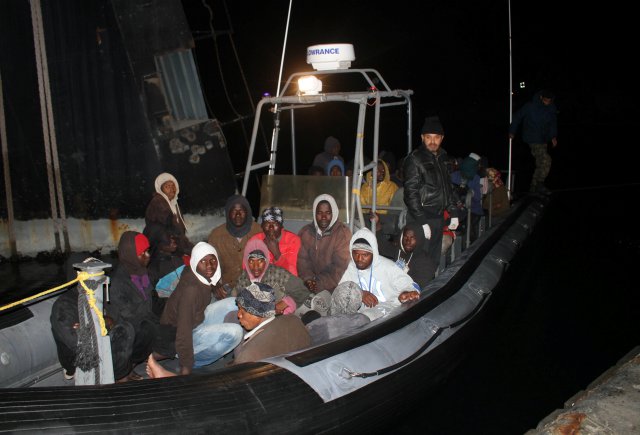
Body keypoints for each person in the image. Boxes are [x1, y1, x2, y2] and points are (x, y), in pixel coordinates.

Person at [146, 282, 310, 377]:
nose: (239, 315)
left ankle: (169, 375)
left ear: (258, 314)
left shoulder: (249, 356)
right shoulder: (294, 320)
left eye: (243, 311)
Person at [154, 242, 244, 375]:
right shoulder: (191, 291)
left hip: (197, 319)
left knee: (234, 303)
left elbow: (208, 277)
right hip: (179, 335)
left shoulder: (192, 271)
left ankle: (239, 355)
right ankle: (193, 359)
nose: (209, 266)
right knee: (235, 333)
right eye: (203, 261)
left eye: (213, 260)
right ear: (195, 261)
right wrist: (186, 366)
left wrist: (214, 285)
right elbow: (183, 330)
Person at [403, 115, 461, 275]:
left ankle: (428, 287)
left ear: (442, 138)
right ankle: (410, 289)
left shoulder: (444, 158)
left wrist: (454, 212)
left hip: (438, 218)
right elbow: (410, 193)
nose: (432, 141)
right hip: (420, 218)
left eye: (436, 137)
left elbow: (448, 187)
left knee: (433, 260)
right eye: (428, 137)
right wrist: (422, 221)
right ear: (422, 137)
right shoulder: (414, 159)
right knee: (416, 261)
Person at [328, 227, 420, 321]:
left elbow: (411, 285)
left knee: (364, 318)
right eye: (356, 254)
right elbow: (339, 290)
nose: (359, 259)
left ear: (374, 253)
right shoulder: (350, 267)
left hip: (388, 310)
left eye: (365, 255)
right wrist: (360, 293)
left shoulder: (388, 267)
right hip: (359, 314)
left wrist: (407, 293)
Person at [231, 238, 311, 317]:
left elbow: (302, 291)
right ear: (246, 262)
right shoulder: (242, 280)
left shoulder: (278, 274)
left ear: (266, 261)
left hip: (282, 317)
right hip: (255, 320)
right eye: (251, 261)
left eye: (260, 261)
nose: (256, 266)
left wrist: (285, 303)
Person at [297, 194, 352, 296]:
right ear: (314, 214)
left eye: (328, 213)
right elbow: (302, 261)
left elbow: (340, 268)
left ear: (333, 213)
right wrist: (308, 279)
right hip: (309, 284)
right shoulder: (306, 232)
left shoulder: (343, 234)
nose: (323, 217)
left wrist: (317, 284)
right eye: (319, 213)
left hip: (334, 288)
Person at [207, 194, 262, 290]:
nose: (238, 215)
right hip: (227, 286)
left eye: (241, 211)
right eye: (233, 211)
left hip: (255, 285)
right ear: (228, 213)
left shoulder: (259, 232)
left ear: (248, 212)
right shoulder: (216, 236)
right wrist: (215, 285)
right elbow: (210, 265)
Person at [508, 89, 558, 193]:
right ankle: (539, 184)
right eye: (545, 100)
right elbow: (517, 117)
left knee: (541, 163)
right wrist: (512, 131)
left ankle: (534, 188)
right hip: (532, 138)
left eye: (549, 101)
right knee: (546, 160)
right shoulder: (530, 106)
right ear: (541, 97)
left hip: (544, 139)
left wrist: (553, 136)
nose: (547, 103)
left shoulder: (551, 108)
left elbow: (553, 123)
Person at [371, 212, 436, 289]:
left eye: (412, 238)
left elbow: (418, 288)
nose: (408, 241)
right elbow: (383, 247)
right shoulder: (399, 251)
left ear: (419, 239)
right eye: (405, 237)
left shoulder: (426, 262)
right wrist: (377, 224)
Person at [144, 172, 193, 257]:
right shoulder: (158, 202)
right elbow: (173, 229)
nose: (172, 188)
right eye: (167, 186)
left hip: (170, 250)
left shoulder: (174, 205)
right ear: (161, 189)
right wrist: (191, 250)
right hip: (161, 252)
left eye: (173, 186)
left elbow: (179, 232)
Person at [249, 206, 301, 276]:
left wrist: (277, 254)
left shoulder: (293, 240)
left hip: (284, 281)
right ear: (262, 226)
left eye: (275, 224)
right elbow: (247, 269)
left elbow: (293, 275)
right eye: (267, 224)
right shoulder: (255, 241)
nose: (271, 228)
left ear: (281, 226)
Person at [451, 153, 484, 244]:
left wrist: (469, 192)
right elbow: (477, 198)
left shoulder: (454, 175)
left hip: (465, 209)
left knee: (467, 224)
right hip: (464, 209)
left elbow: (477, 198)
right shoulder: (474, 177)